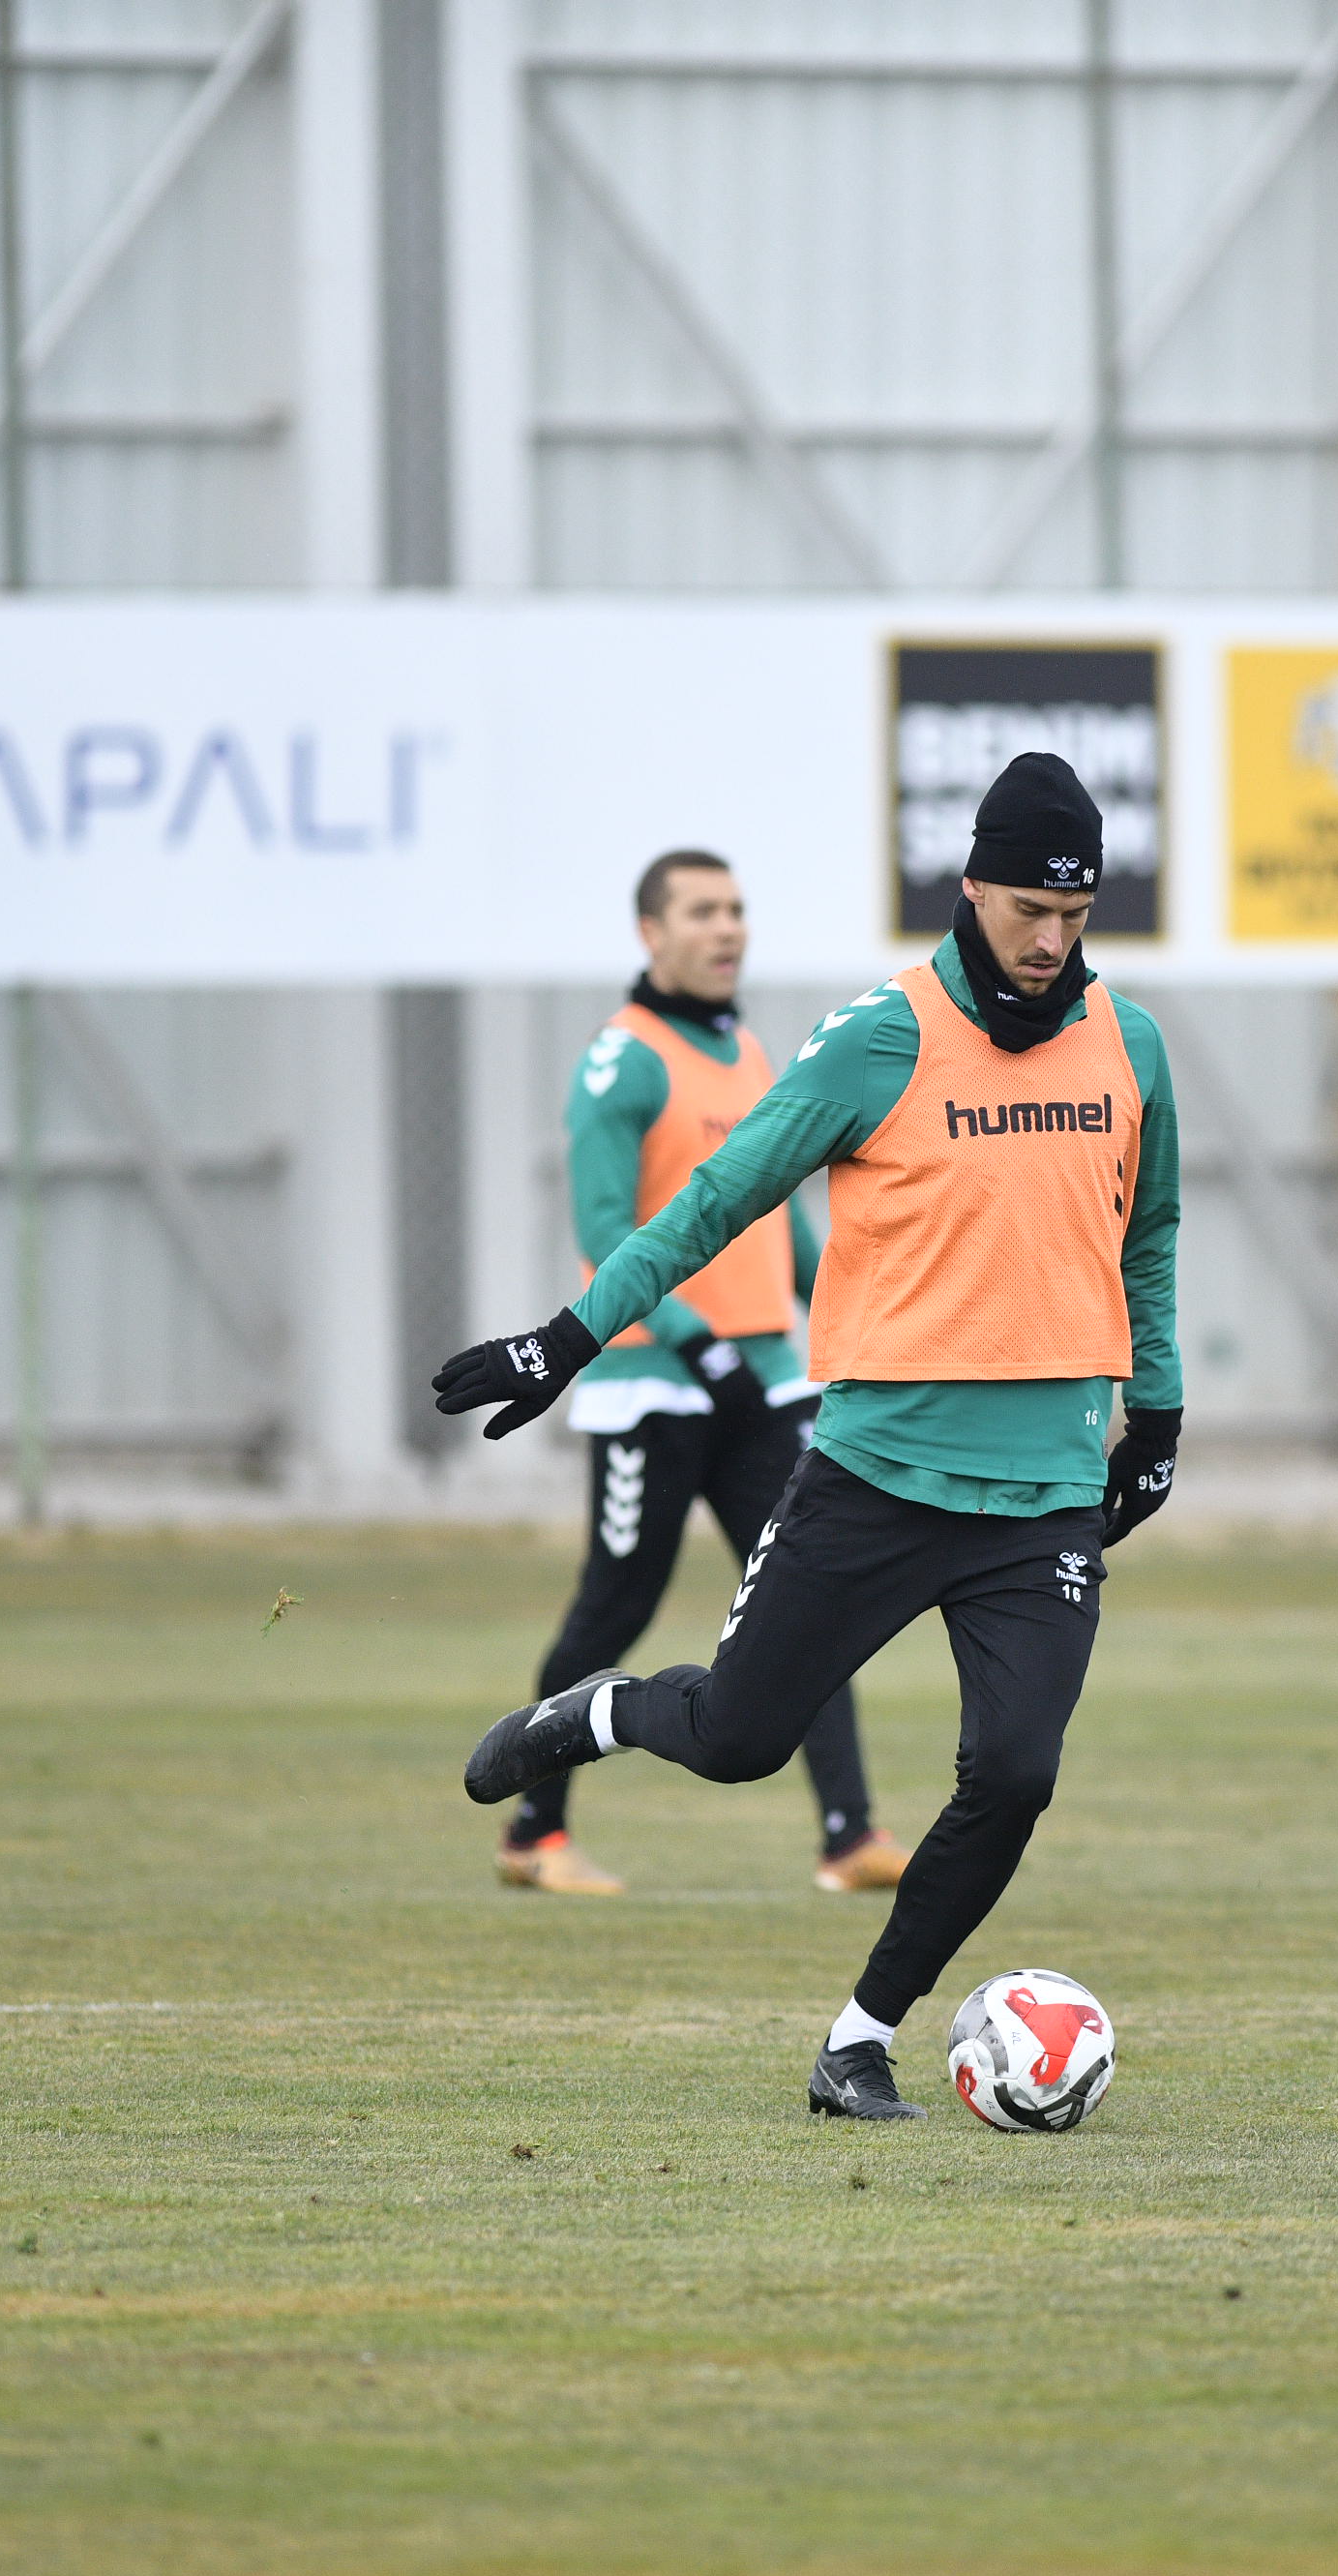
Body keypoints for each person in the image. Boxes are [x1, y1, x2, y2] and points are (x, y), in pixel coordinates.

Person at [431, 753, 1183, 2119]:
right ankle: (586, 1716)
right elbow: (717, 1198)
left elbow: (1153, 1231)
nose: (1050, 941)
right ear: (973, 890)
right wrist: (570, 1334)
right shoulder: (876, 1039)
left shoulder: (1129, 1045)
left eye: (1074, 918)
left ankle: (859, 2040)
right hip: (877, 1475)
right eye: (1027, 910)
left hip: (1047, 1492)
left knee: (1013, 1774)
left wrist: (1164, 1406)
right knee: (735, 1739)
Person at [499, 849, 909, 1900]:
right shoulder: (621, 1062)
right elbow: (603, 1230)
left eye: (736, 909)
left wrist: (854, 1311)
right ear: (651, 933)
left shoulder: (753, 1051)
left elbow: (782, 1223)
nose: (727, 928)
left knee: (810, 1599)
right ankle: (533, 1835)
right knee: (614, 1612)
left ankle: (847, 1834)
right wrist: (702, 1345)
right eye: (701, 911)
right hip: (658, 1387)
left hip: (760, 1385)